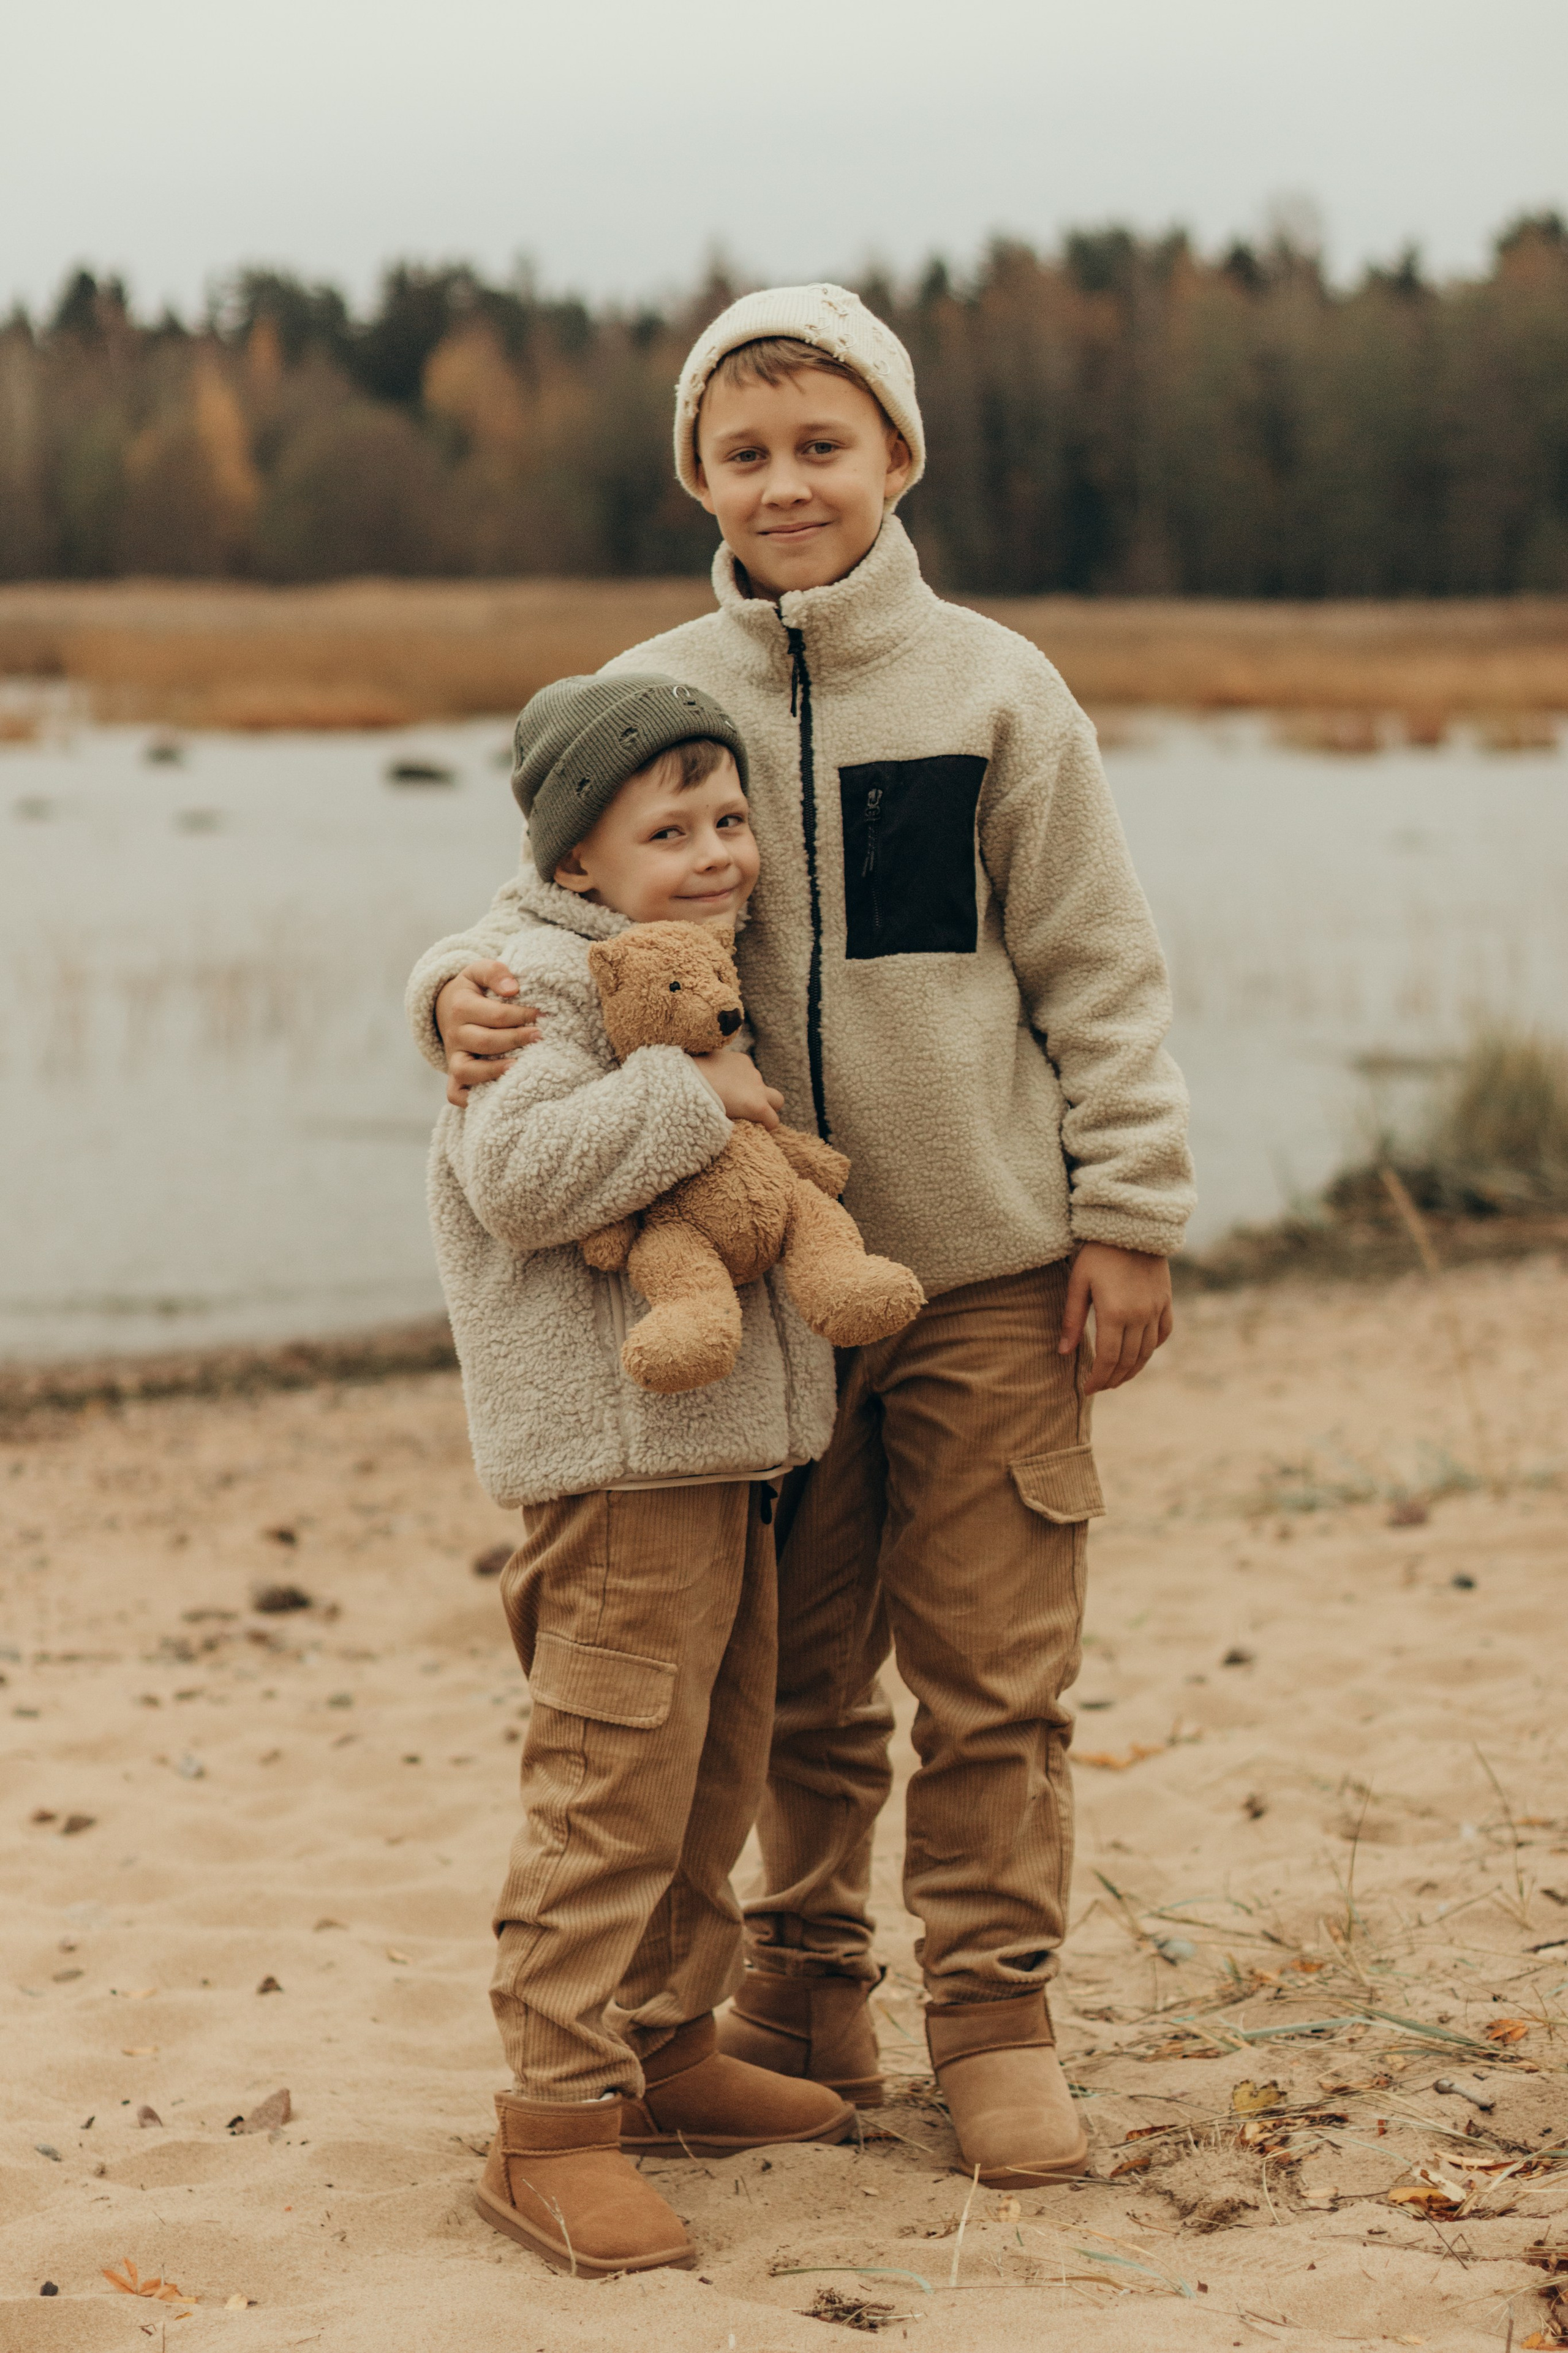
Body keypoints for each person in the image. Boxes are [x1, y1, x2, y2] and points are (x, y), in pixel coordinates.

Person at [409, 284, 1196, 2191]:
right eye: (744, 452)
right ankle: (806, 1987)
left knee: (995, 1673)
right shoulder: (666, 691)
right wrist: (437, 991)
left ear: (897, 456)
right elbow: (544, 913)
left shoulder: (998, 689)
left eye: (822, 445)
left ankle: (995, 2020)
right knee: (797, 1683)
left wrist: (1130, 1212)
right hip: (772, 1300)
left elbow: (1099, 967)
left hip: (995, 1266)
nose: (786, 484)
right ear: (697, 473)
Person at [432, 671, 856, 2279]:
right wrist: (690, 1095)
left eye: (729, 818)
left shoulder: (690, 955)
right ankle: (550, 2119)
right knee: (607, 1788)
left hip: (716, 1459)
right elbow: (518, 1175)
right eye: (668, 830)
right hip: (614, 1475)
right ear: (578, 860)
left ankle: (666, 2046)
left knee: (711, 1772)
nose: (717, 852)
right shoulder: (530, 982)